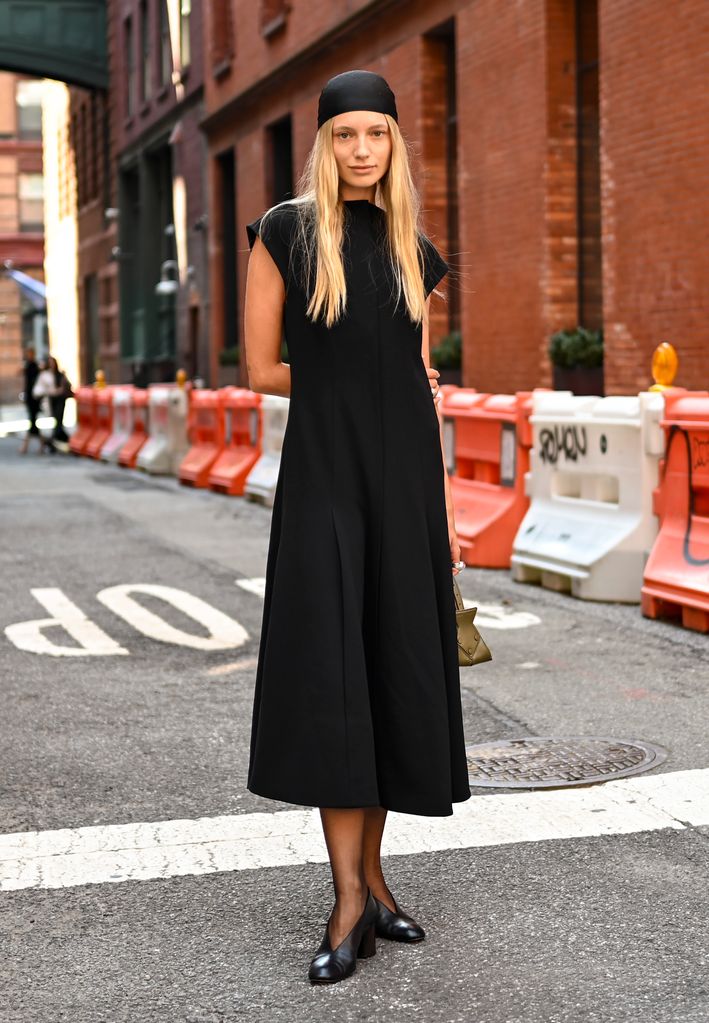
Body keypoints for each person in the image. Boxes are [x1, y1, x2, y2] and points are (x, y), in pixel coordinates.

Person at [244, 69, 470, 986]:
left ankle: (374, 881)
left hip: (405, 487)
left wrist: (445, 519)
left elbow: (418, 381)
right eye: (346, 136)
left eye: (376, 133)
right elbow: (261, 368)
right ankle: (346, 901)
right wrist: (341, 391)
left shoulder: (415, 247)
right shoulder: (288, 232)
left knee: (388, 677)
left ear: (394, 143)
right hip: (328, 485)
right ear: (326, 144)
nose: (362, 150)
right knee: (336, 680)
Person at [18, 346, 42, 454]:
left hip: (35, 398)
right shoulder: (27, 365)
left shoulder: (36, 366)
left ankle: (25, 446)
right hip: (29, 396)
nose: (29, 355)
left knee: (32, 421)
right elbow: (19, 373)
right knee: (33, 422)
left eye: (30, 353)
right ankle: (42, 444)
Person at [47, 355, 72, 444]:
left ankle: (52, 440)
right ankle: (65, 439)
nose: (51, 365)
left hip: (60, 399)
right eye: (50, 363)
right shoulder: (47, 374)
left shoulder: (60, 374)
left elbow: (64, 387)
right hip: (52, 399)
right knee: (57, 420)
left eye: (52, 363)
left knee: (58, 419)